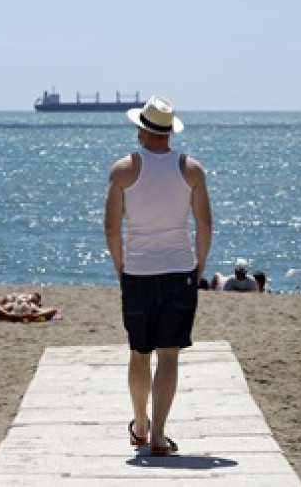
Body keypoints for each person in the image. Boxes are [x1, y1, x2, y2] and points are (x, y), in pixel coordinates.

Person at [104, 95, 212, 456]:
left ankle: (140, 426)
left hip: (138, 272)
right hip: (180, 270)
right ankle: (159, 435)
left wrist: (120, 266)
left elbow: (111, 228)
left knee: (139, 352)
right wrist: (199, 265)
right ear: (168, 131)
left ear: (142, 130)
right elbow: (205, 224)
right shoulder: (191, 170)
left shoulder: (124, 170)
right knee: (168, 355)